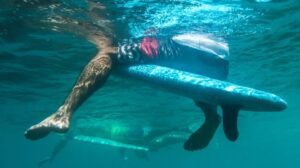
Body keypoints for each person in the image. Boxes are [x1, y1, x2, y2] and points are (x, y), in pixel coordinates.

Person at [24, 1, 232, 151]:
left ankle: (63, 114)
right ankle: (212, 116)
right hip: (221, 57)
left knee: (108, 52)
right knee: (197, 82)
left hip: (185, 45)